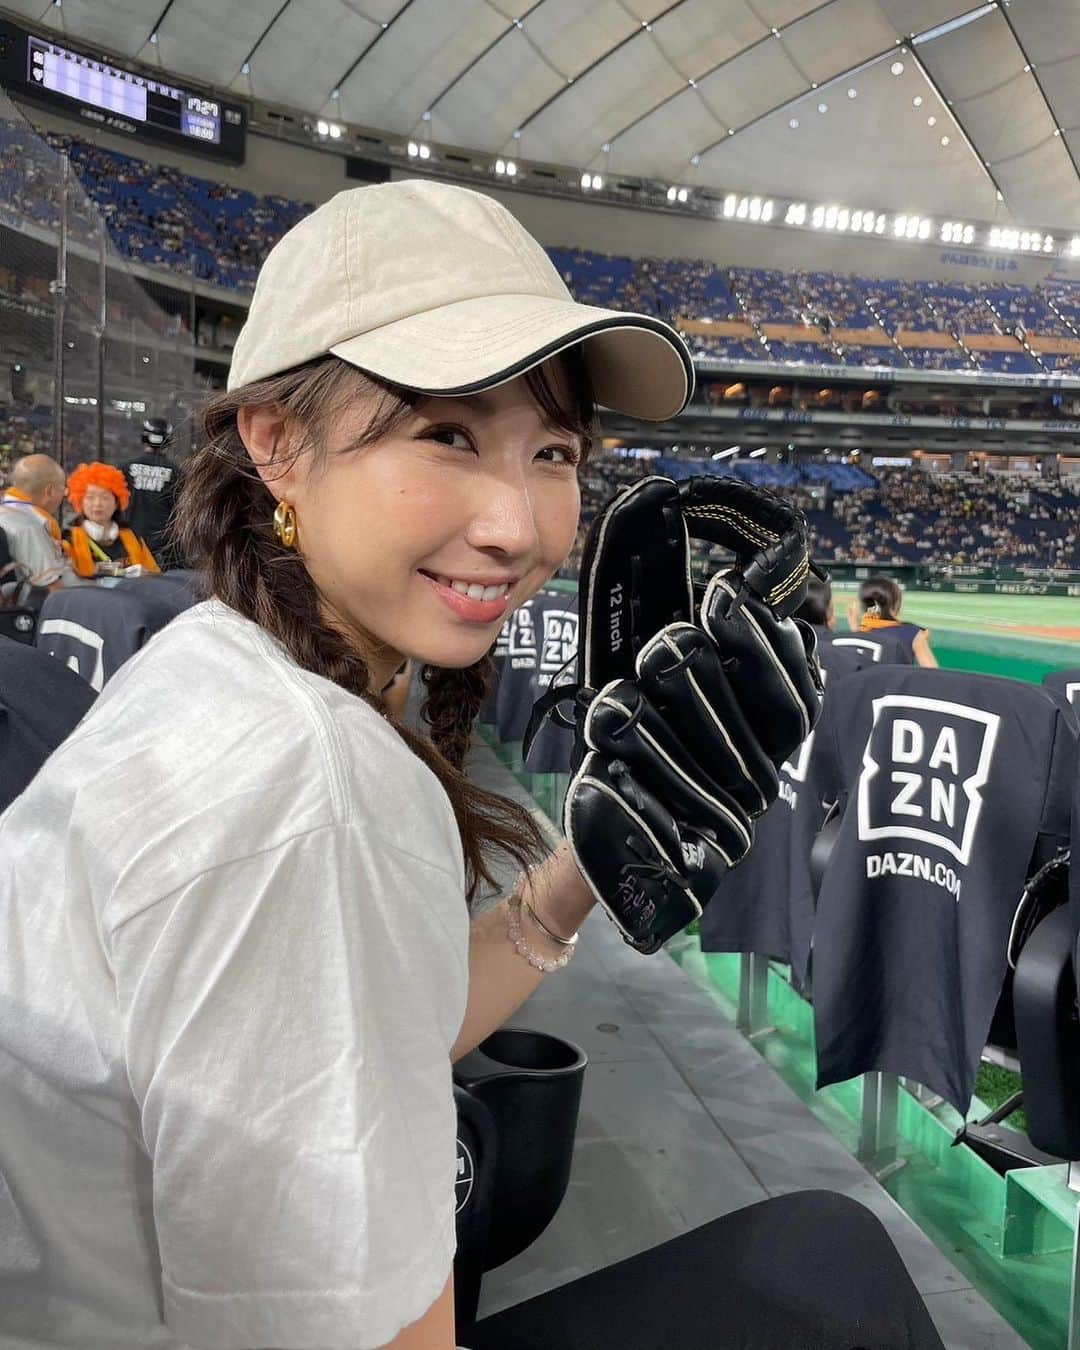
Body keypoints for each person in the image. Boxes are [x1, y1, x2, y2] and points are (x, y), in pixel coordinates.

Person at [0, 180, 944, 1350]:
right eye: (446, 434)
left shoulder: (222, 658)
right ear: (277, 443)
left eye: (552, 450)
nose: (517, 523)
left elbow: (377, 1032)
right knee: (833, 1271)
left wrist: (576, 880)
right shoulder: (310, 786)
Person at [63, 461, 161, 581]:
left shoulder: (132, 537)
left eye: (105, 497)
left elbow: (154, 574)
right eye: (90, 497)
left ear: (117, 503)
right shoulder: (69, 539)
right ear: (79, 502)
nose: (97, 504)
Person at [0, 453, 78, 599]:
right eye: (63, 490)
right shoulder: (28, 526)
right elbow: (53, 590)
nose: (64, 496)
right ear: (49, 491)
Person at [120, 418, 185, 569]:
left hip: (130, 543)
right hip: (164, 550)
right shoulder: (176, 473)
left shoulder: (126, 468)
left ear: (144, 438)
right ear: (168, 441)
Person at [847, 573, 938, 667]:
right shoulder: (912, 633)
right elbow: (933, 673)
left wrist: (855, 631)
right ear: (894, 605)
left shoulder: (851, 637)